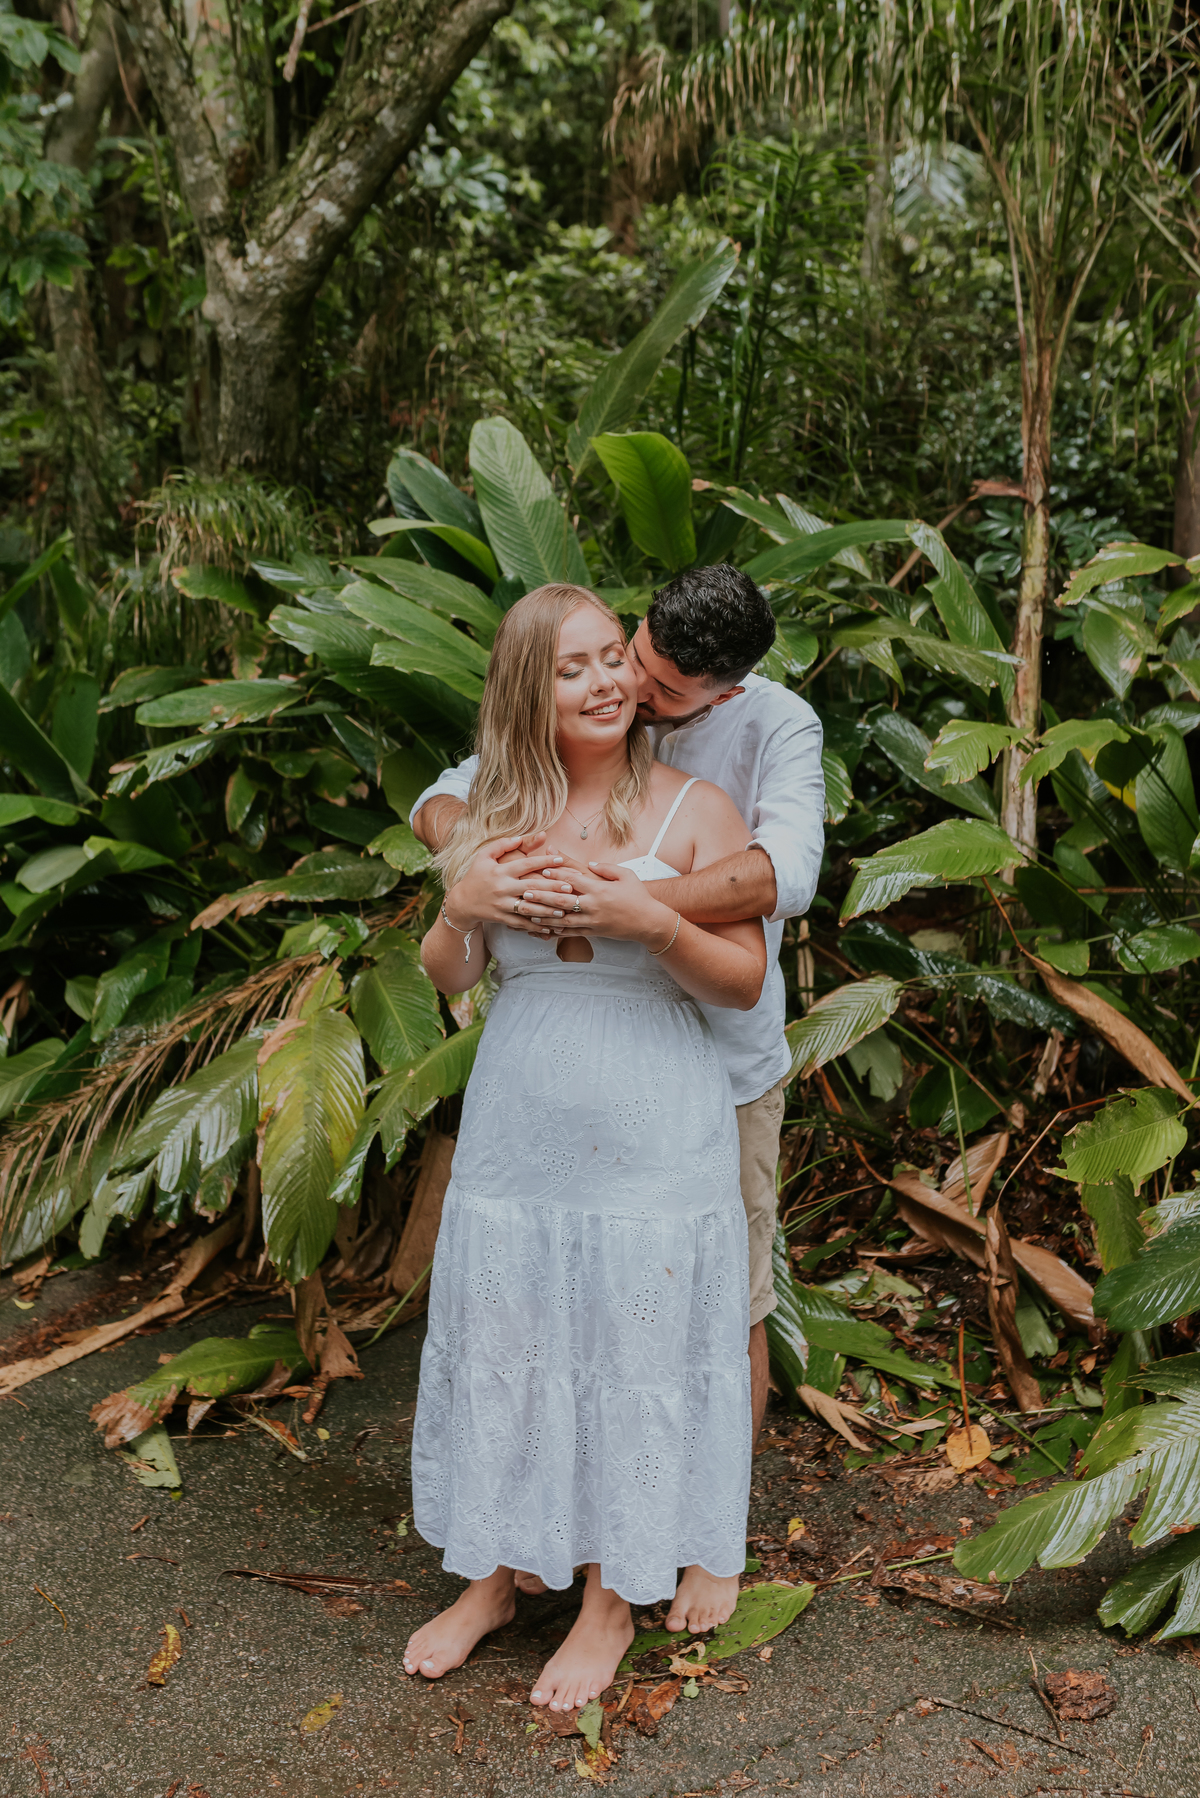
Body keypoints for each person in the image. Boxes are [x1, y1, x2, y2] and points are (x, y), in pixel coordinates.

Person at [412, 564, 826, 1636]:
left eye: (628, 669)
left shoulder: (729, 773)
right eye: (590, 663)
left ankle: (630, 1583)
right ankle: (499, 1571)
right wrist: (462, 896)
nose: (619, 685)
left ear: (717, 693)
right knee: (516, 1332)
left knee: (661, 1335)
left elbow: (760, 930)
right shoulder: (505, 804)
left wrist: (643, 915)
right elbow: (450, 962)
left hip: (674, 1100)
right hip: (524, 1121)